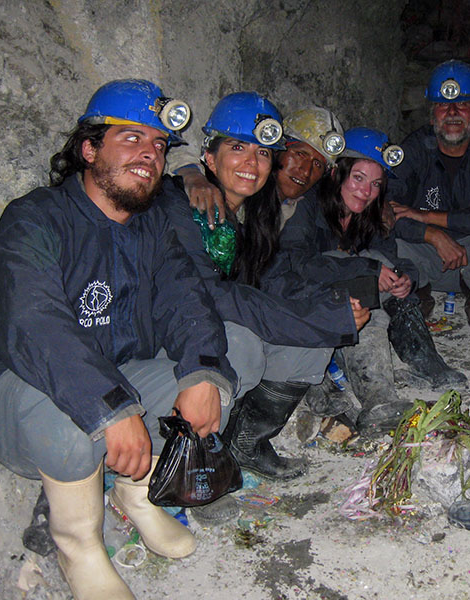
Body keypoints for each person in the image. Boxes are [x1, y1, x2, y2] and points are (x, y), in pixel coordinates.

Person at [0, 80, 243, 600]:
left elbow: (188, 302)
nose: (150, 154)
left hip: (114, 380)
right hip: (20, 398)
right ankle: (79, 547)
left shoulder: (153, 227)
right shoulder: (35, 219)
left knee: (216, 378)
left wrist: (202, 372)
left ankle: (136, 495)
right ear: (89, 148)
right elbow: (32, 324)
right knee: (78, 422)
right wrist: (114, 409)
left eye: (160, 145)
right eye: (132, 138)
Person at [154, 92, 367, 489]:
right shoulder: (180, 207)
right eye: (238, 148)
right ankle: (196, 460)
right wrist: (188, 172)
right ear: (211, 157)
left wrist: (326, 306)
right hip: (172, 334)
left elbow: (271, 278)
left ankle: (247, 442)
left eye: (263, 154)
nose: (252, 164)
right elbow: (211, 295)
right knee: (247, 345)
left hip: (220, 317)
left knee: (312, 341)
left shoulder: (258, 212)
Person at [276, 127, 465, 434]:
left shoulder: (368, 213)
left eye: (376, 184)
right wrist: (367, 268)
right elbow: (298, 264)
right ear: (337, 174)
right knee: (367, 273)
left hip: (349, 308)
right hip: (307, 310)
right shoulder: (308, 205)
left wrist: (406, 279)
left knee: (385, 270)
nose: (366, 191)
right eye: (359, 178)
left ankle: (424, 359)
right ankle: (378, 398)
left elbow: (392, 257)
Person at [389, 60, 470, 329]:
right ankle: (418, 291)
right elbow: (387, 208)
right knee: (386, 246)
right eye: (444, 106)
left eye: (463, 105)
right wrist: (432, 234)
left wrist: (428, 217)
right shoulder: (414, 149)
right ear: (432, 116)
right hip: (431, 255)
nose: (453, 112)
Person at [169, 104, 345, 231]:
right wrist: (192, 175)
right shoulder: (245, 189)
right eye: (300, 154)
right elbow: (176, 156)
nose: (306, 171)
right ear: (277, 153)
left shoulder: (293, 207)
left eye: (317, 165)